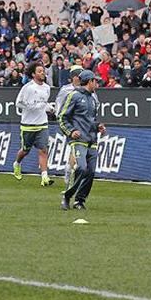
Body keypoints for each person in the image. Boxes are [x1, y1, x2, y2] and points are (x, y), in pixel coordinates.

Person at [57, 70, 106, 210]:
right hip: (79, 140)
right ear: (89, 81)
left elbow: (91, 120)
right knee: (81, 167)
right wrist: (71, 131)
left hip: (92, 140)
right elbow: (62, 117)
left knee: (90, 172)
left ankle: (79, 200)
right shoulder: (74, 95)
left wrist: (98, 126)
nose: (97, 84)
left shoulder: (93, 99)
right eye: (95, 81)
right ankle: (67, 196)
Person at [12, 61, 55, 187]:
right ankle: (17, 163)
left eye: (43, 71)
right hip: (28, 124)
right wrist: (33, 107)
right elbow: (18, 103)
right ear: (33, 74)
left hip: (42, 123)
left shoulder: (47, 88)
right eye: (39, 71)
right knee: (25, 150)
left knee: (43, 150)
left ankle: (45, 177)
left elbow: (43, 103)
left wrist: (49, 108)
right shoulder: (28, 88)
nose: (42, 73)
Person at [55, 65, 84, 187]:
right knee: (76, 146)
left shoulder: (87, 89)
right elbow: (59, 103)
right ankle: (70, 171)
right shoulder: (66, 90)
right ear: (74, 77)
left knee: (78, 149)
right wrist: (59, 117)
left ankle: (69, 168)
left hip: (84, 123)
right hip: (71, 123)